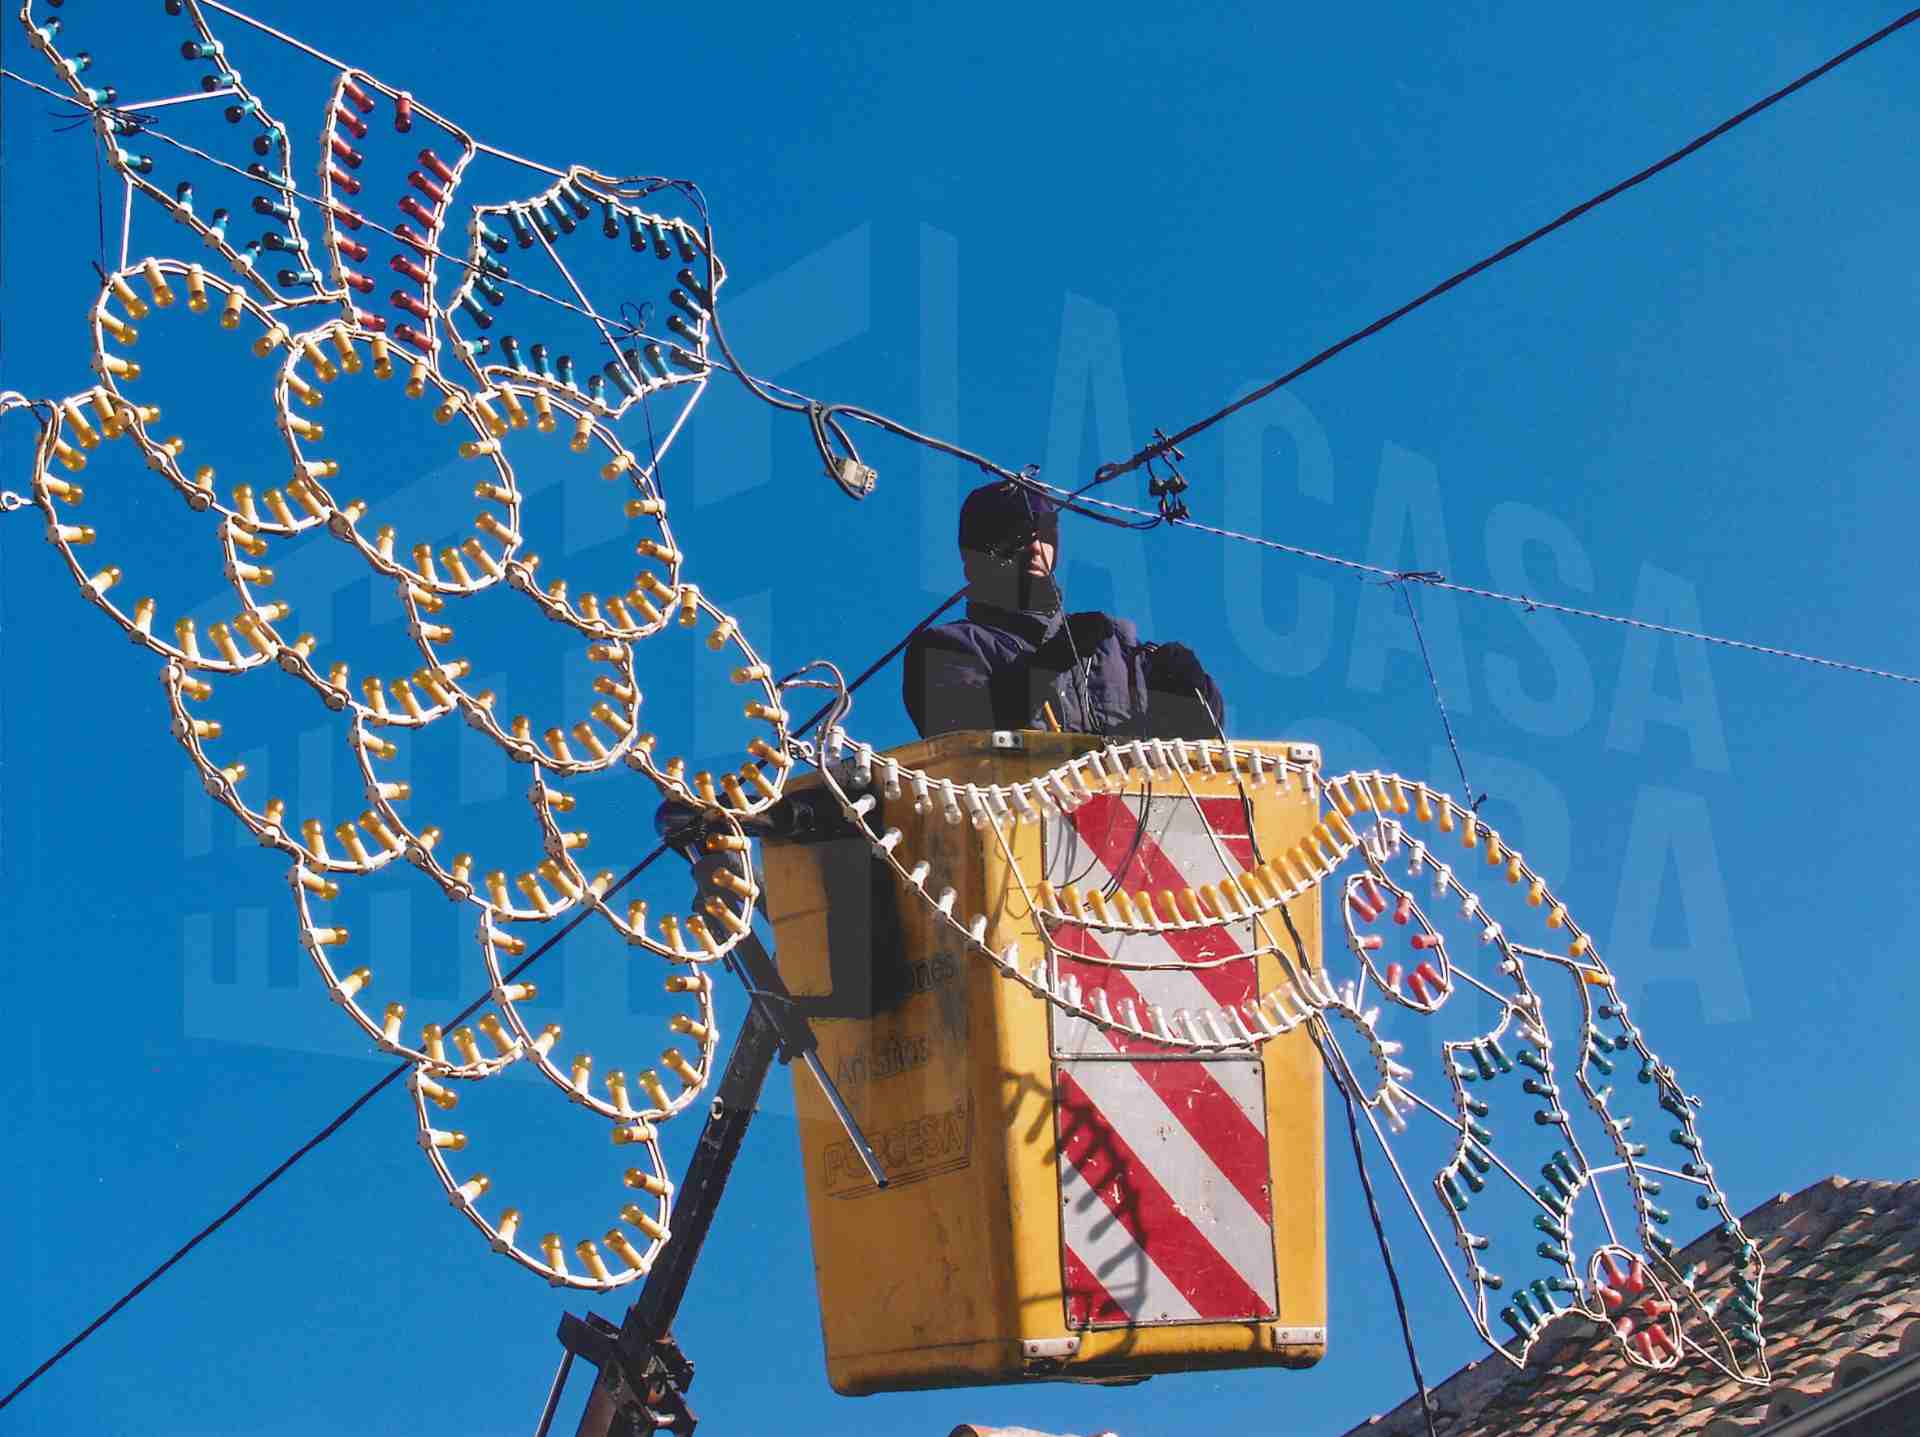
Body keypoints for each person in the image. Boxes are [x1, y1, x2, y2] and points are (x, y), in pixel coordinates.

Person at [903, 480, 1225, 740]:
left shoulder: (1117, 651)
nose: (1033, 547)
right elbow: (961, 739)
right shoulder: (947, 648)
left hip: (1135, 817)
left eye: (1042, 536)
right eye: (1013, 537)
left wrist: (1198, 693)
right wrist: (1039, 672)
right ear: (977, 558)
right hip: (1018, 816)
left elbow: (1198, 749)